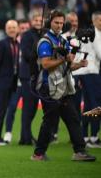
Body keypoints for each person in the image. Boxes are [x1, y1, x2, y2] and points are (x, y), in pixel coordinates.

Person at [31, 10, 95, 161]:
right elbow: (46, 64)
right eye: (56, 23)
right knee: (50, 121)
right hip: (49, 87)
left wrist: (79, 64)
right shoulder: (45, 41)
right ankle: (38, 154)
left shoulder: (62, 39)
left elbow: (67, 67)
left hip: (63, 87)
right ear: (50, 22)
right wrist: (65, 60)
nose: (59, 26)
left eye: (61, 23)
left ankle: (79, 151)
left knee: (73, 119)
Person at [0, 20, 19, 146]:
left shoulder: (17, 44)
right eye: (9, 27)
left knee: (5, 109)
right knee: (0, 110)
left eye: (14, 27)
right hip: (1, 83)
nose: (12, 30)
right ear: (6, 30)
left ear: (17, 30)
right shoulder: (1, 44)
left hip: (13, 83)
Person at [73, 11, 101, 148]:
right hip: (91, 72)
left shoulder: (87, 33)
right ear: (94, 20)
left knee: (90, 105)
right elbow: (100, 53)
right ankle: (93, 137)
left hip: (84, 72)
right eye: (100, 20)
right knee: (96, 105)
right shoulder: (95, 34)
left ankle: (84, 136)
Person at [3, 18, 30, 144]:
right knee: (12, 107)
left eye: (26, 28)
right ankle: (8, 132)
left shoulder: (31, 42)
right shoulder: (14, 42)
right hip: (16, 82)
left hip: (28, 80)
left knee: (27, 110)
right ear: (19, 29)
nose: (24, 30)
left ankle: (25, 135)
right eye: (22, 28)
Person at [18, 11, 42, 145]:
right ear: (31, 21)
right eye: (36, 20)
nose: (38, 22)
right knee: (28, 107)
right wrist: (42, 54)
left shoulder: (44, 34)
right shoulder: (27, 35)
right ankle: (25, 137)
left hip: (38, 75)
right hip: (27, 75)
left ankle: (26, 136)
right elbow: (26, 55)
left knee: (32, 109)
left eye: (40, 20)